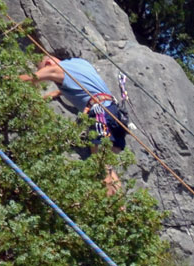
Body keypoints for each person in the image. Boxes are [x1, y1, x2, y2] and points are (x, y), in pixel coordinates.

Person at [19, 54, 125, 194]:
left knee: (100, 165)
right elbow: (80, 86)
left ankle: (109, 207)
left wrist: (6, 80)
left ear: (48, 63)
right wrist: (54, 94)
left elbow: (30, 78)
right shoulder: (80, 63)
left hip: (100, 112)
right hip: (115, 112)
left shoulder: (55, 69)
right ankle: (121, 209)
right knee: (109, 166)